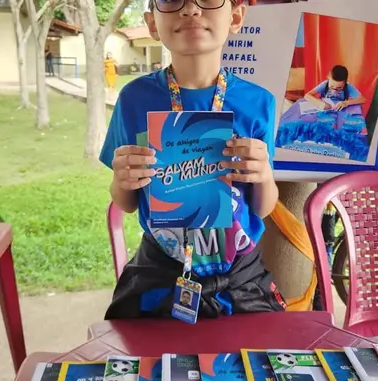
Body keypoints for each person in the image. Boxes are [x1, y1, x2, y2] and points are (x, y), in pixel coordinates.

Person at [99, 0, 286, 320]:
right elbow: (127, 203)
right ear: (152, 23)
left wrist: (265, 176)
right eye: (172, 0)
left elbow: (262, 208)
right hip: (160, 270)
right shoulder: (134, 99)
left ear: (236, 16)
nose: (191, 10)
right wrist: (122, 181)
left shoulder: (259, 103)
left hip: (240, 277)